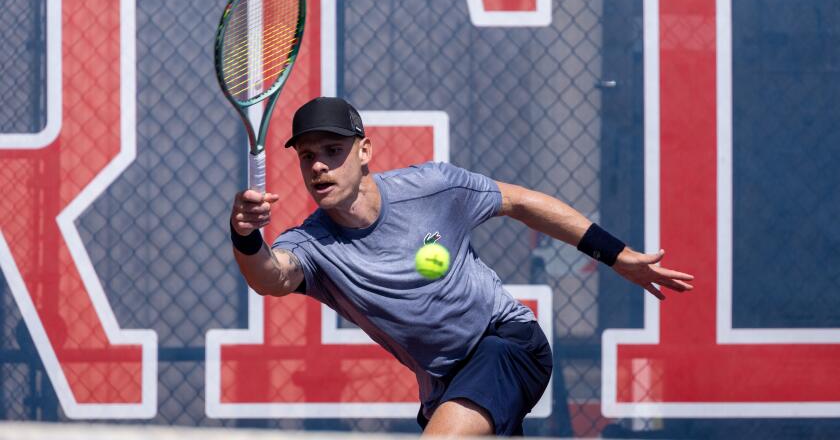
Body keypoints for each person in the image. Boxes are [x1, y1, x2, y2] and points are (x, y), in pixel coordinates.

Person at [229, 97, 694, 437]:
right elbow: (271, 276)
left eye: (332, 150)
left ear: (364, 151)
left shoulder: (433, 187)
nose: (318, 167)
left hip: (506, 343)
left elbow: (520, 201)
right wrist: (246, 234)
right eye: (307, 156)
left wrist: (616, 255)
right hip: (443, 386)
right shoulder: (312, 242)